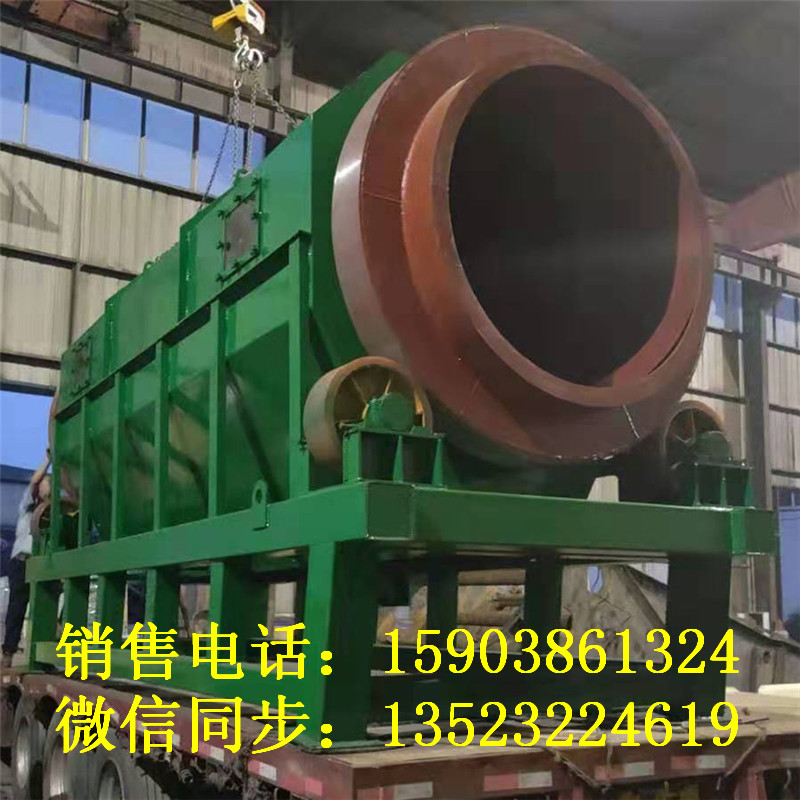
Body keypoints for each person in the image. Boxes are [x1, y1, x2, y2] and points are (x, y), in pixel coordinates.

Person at [2, 453, 50, 669]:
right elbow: (34, 481)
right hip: (21, 563)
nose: (48, 486)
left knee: (44, 610)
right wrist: (49, 460)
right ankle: (8, 653)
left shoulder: (53, 514)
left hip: (42, 566)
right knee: (17, 608)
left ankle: (43, 658)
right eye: (46, 483)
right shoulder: (27, 507)